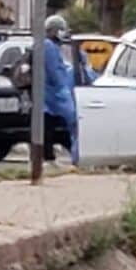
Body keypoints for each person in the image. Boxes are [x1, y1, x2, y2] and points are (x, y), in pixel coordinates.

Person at [42, 15, 79, 168]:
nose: (63, 33)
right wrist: (64, 90)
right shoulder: (49, 47)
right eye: (61, 30)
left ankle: (50, 156)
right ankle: (71, 155)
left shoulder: (51, 46)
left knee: (50, 126)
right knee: (73, 122)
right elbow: (55, 73)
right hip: (54, 95)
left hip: (50, 96)